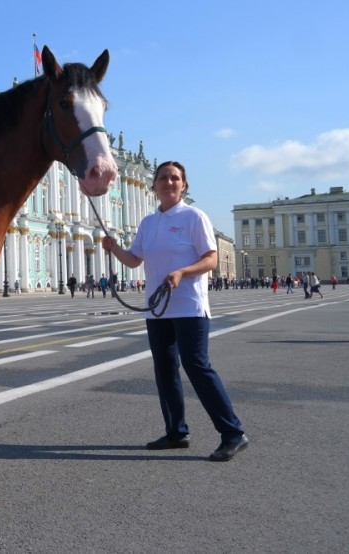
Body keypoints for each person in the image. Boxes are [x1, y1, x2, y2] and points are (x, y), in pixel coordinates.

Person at [102, 160, 248, 462]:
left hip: (189, 305)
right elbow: (133, 260)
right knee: (165, 370)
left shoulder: (194, 217)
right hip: (158, 309)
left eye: (175, 178)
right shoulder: (148, 223)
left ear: (184, 185)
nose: (168, 182)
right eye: (163, 178)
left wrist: (182, 272)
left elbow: (210, 259)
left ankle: (233, 433)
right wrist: (114, 248)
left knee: (197, 366)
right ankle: (176, 432)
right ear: (154, 185)